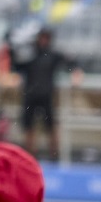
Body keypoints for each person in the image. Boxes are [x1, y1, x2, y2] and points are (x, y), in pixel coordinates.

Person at [7, 27, 82, 160]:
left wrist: (76, 71)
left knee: (51, 126)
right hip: (30, 96)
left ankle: (55, 156)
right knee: (29, 127)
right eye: (42, 37)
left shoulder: (52, 55)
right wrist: (11, 48)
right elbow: (15, 65)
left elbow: (70, 63)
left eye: (46, 38)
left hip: (46, 96)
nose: (43, 41)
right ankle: (30, 156)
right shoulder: (29, 55)